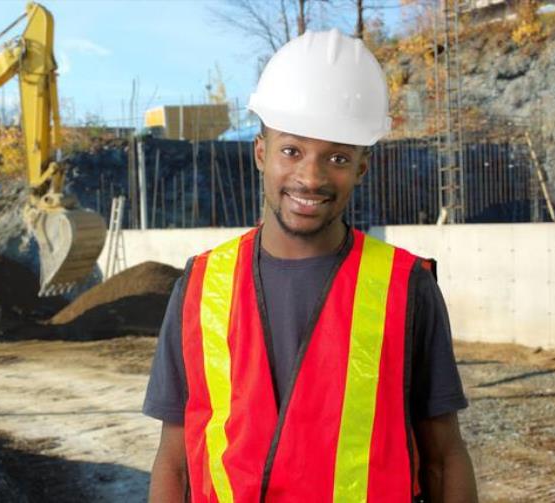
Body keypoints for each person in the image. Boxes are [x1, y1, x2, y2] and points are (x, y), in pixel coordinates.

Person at [144, 29, 477, 502]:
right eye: (292, 150)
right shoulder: (201, 288)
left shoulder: (404, 287)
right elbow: (174, 462)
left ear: (361, 168)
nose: (311, 176)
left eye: (337, 157)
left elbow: (445, 456)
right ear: (261, 153)